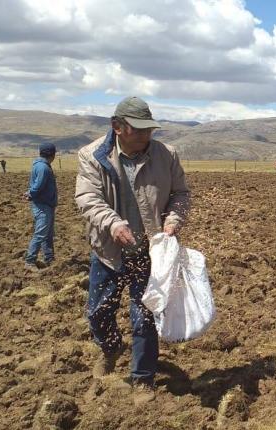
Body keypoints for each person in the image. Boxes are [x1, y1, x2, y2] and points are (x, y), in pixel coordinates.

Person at [75, 96, 191, 404]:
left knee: (144, 316)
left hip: (149, 252)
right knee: (99, 313)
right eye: (138, 130)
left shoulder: (166, 155)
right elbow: (88, 198)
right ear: (117, 127)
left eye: (148, 129)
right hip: (109, 251)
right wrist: (113, 224)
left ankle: (143, 378)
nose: (145, 135)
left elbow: (180, 194)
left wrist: (172, 221)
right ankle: (110, 347)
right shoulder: (92, 156)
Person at [23, 143, 58, 270]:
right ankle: (30, 261)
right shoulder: (43, 168)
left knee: (47, 233)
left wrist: (30, 194)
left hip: (45, 204)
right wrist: (31, 194)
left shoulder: (39, 165)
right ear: (52, 155)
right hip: (43, 205)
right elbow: (38, 185)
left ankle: (49, 258)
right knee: (41, 233)